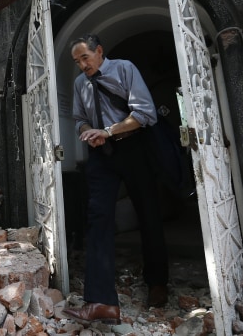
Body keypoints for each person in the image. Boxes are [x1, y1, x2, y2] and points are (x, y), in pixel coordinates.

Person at [63, 33, 169, 325]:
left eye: (85, 57)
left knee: (148, 213)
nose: (82, 65)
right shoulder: (79, 84)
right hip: (101, 155)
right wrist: (87, 131)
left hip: (135, 148)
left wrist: (108, 131)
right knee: (97, 220)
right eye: (76, 61)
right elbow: (80, 118)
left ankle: (158, 283)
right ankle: (102, 303)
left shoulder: (124, 68)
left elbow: (146, 114)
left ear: (99, 51)